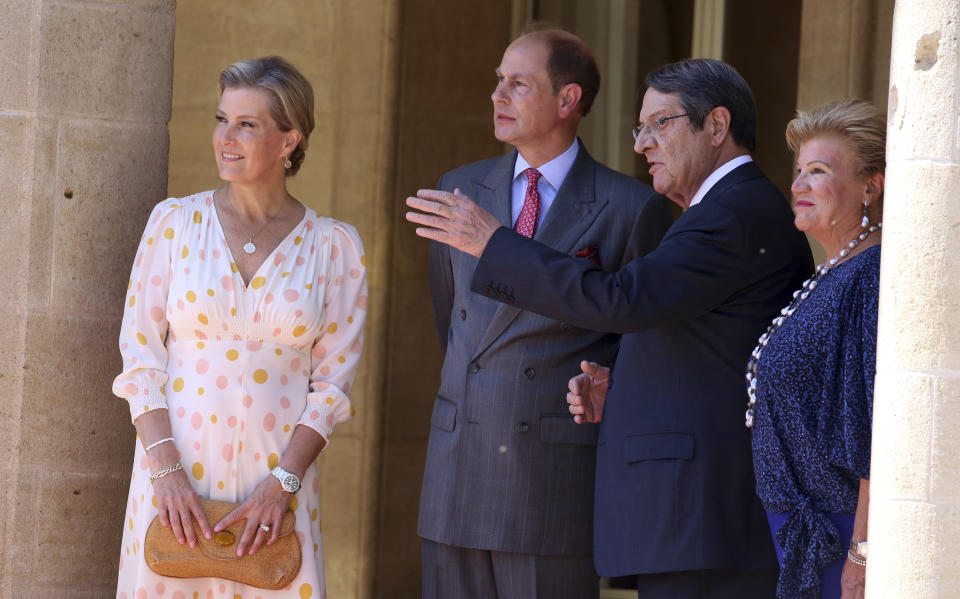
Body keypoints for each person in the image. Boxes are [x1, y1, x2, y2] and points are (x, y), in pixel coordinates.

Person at [406, 58, 814, 598]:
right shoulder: (722, 210)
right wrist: (617, 387)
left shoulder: (732, 212)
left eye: (660, 123)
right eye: (639, 127)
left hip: (703, 514)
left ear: (716, 126)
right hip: (692, 519)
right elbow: (693, 340)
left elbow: (623, 298)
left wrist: (494, 243)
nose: (643, 143)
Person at [415, 27, 672, 599]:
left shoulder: (632, 208)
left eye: (518, 84)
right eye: (497, 81)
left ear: (567, 100)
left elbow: (641, 343)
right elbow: (451, 318)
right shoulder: (458, 190)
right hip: (455, 470)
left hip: (550, 481)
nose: (497, 95)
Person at [112, 56, 367, 598]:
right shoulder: (174, 224)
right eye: (221, 119)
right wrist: (165, 472)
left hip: (275, 489)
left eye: (247, 124)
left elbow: (332, 386)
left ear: (289, 140)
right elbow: (139, 356)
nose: (226, 137)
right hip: (175, 476)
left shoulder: (332, 246)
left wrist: (284, 484)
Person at [746, 99, 885, 599]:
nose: (799, 185)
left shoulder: (870, 277)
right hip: (803, 536)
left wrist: (862, 552)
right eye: (799, 172)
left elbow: (878, 427)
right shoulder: (830, 274)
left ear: (872, 184)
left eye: (819, 171)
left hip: (841, 536)